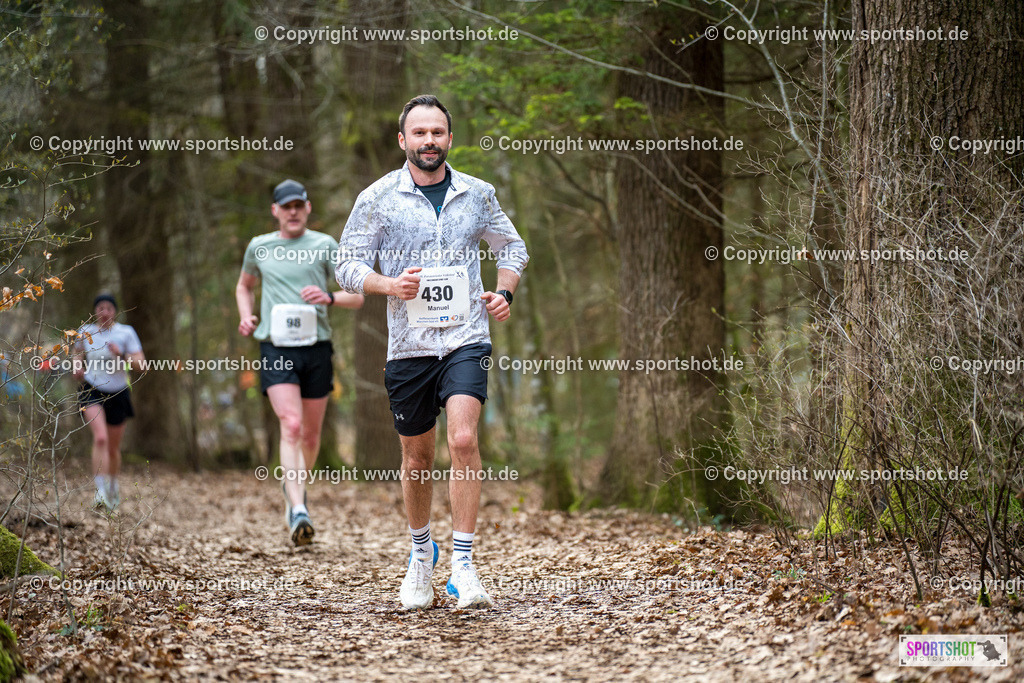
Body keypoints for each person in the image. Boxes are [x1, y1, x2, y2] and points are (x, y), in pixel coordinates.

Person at [336, 95, 528, 609]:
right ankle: (422, 556)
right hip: (409, 347)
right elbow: (346, 264)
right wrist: (387, 285)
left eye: (437, 132)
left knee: (463, 439)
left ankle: (463, 566)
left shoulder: (477, 194)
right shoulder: (377, 198)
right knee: (417, 458)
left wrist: (503, 292)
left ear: (449, 138)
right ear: (403, 140)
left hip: (466, 337)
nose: (429, 141)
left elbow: (512, 247)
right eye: (419, 133)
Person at [237, 179, 363, 546]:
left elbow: (356, 296)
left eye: (298, 206)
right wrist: (246, 316)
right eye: (286, 207)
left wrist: (329, 297)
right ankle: (297, 508)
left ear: (307, 208)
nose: (292, 212)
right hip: (276, 347)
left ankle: (295, 487)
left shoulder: (324, 245)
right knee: (290, 424)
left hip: (316, 347)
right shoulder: (259, 247)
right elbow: (244, 286)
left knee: (310, 434)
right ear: (275, 211)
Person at [73, 293, 145, 512]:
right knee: (101, 438)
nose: (104, 312)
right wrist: (77, 367)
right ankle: (100, 491)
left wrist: (121, 354)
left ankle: (113, 486)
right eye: (100, 308)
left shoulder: (126, 332)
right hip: (91, 390)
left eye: (109, 308)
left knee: (113, 448)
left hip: (118, 392)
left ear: (115, 311)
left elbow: (141, 365)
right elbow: (77, 354)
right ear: (95, 311)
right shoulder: (86, 331)